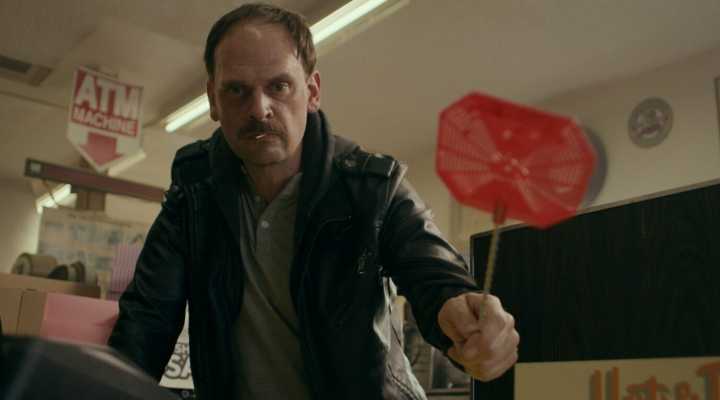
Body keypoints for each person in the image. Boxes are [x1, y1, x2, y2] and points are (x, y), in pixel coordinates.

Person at [108, 3, 519, 399]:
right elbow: (147, 319)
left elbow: (434, 273)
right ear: (213, 100)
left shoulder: (370, 187)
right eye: (236, 90)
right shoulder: (194, 189)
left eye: (279, 86)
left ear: (312, 91)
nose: (259, 109)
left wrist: (463, 313)